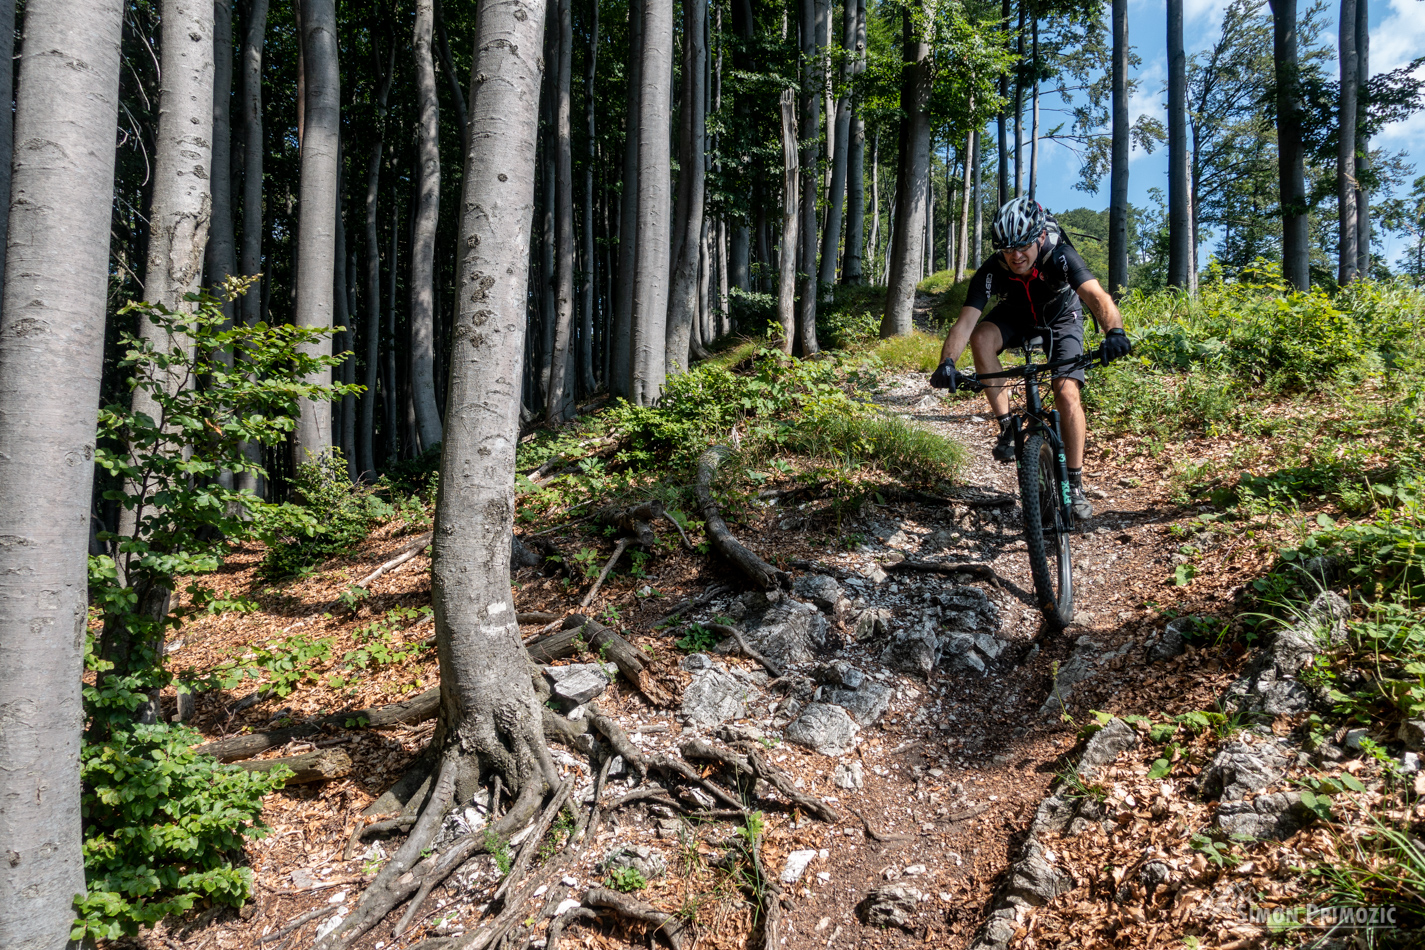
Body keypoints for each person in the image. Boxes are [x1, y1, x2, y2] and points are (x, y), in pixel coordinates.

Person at [928, 197, 1132, 520]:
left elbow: (1097, 296)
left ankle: (1074, 483)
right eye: (1008, 249)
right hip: (1015, 314)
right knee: (981, 337)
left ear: (1040, 237)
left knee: (1066, 393)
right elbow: (965, 323)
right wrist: (947, 363)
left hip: (1061, 316)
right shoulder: (992, 270)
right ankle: (1008, 427)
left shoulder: (1060, 256)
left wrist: (1115, 332)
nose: (1016, 256)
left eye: (1023, 246)